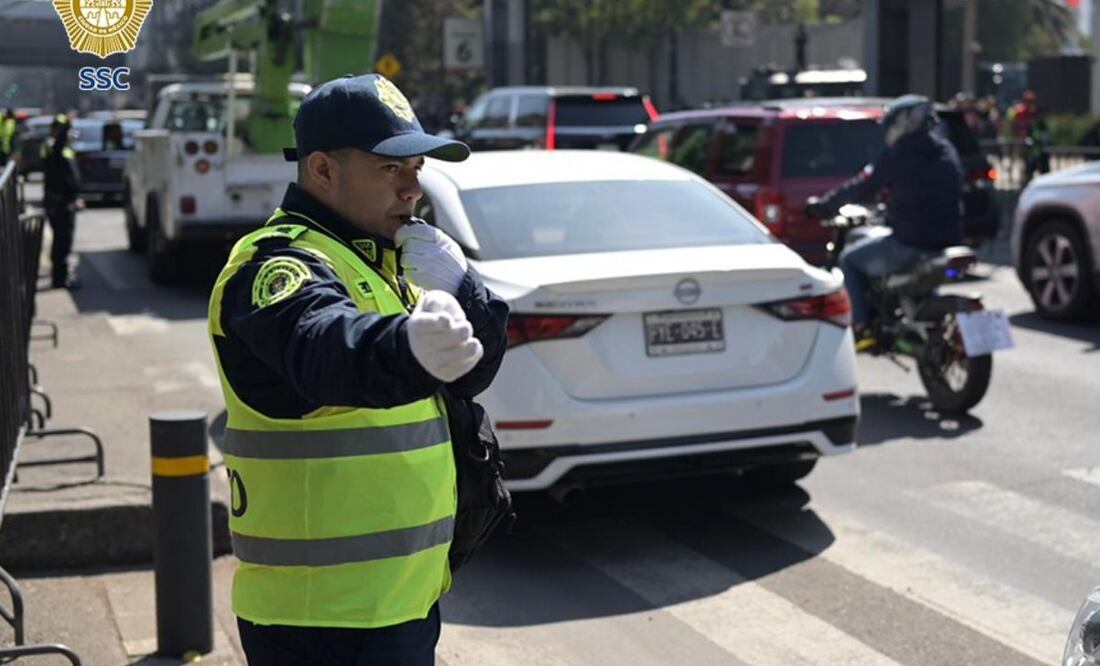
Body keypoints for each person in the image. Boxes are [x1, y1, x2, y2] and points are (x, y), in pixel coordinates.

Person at [207, 73, 509, 666]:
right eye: (390, 170)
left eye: (417, 168)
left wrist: (467, 292)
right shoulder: (275, 266)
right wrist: (407, 344)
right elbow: (326, 350)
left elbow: (470, 372)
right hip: (322, 618)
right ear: (323, 170)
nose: (412, 189)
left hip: (398, 599)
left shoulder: (382, 255)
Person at [804, 94, 962, 346]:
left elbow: (863, 187)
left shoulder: (899, 154)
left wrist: (826, 204)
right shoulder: (947, 150)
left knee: (850, 261)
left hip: (910, 243)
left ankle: (863, 326)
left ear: (903, 123)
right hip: (946, 242)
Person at [41, 114, 82, 290]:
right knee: (61, 242)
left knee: (64, 241)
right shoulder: (54, 147)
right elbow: (60, 177)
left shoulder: (64, 147)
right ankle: (60, 279)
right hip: (60, 202)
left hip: (65, 201)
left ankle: (62, 276)